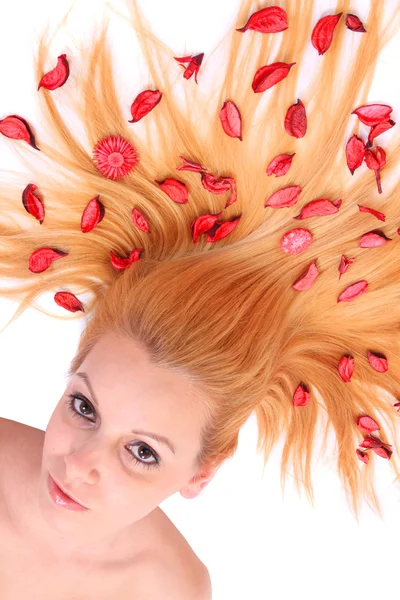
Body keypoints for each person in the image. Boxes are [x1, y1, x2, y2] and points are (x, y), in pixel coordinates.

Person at [0, 0, 400, 581]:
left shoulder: (170, 587)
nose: (79, 464)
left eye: (144, 453)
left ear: (200, 473)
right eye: (83, 407)